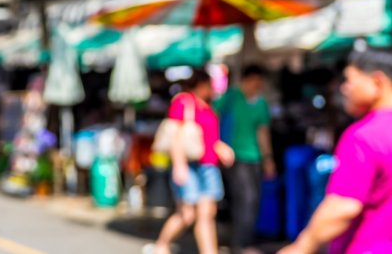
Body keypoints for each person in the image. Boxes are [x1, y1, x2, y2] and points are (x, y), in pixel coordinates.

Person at [280, 49, 392, 254]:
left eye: (350, 80)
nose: (344, 88)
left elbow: (343, 207)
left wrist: (301, 247)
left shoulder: (364, 136)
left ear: (377, 81)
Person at [149, 69, 235, 254]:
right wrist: (179, 166)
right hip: (189, 165)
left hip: (208, 166)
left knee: (207, 213)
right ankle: (161, 245)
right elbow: (176, 136)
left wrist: (221, 148)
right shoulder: (184, 101)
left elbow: (209, 138)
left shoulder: (208, 106)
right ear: (202, 84)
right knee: (187, 214)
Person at [215, 65, 276, 254]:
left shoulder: (260, 103)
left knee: (253, 200)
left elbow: (262, 132)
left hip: (254, 157)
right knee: (244, 199)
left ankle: (245, 241)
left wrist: (268, 159)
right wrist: (217, 144)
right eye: (255, 82)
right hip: (235, 157)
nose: (257, 86)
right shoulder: (231, 97)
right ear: (246, 80)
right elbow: (212, 116)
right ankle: (242, 244)